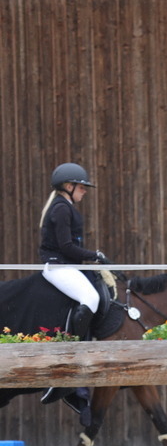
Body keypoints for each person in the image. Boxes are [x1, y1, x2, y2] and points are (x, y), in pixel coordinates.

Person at [37, 162, 109, 405]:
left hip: (67, 265)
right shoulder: (61, 209)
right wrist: (94, 255)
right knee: (91, 298)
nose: (84, 191)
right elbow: (66, 247)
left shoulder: (64, 206)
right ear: (69, 186)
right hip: (58, 266)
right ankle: (71, 351)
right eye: (81, 187)